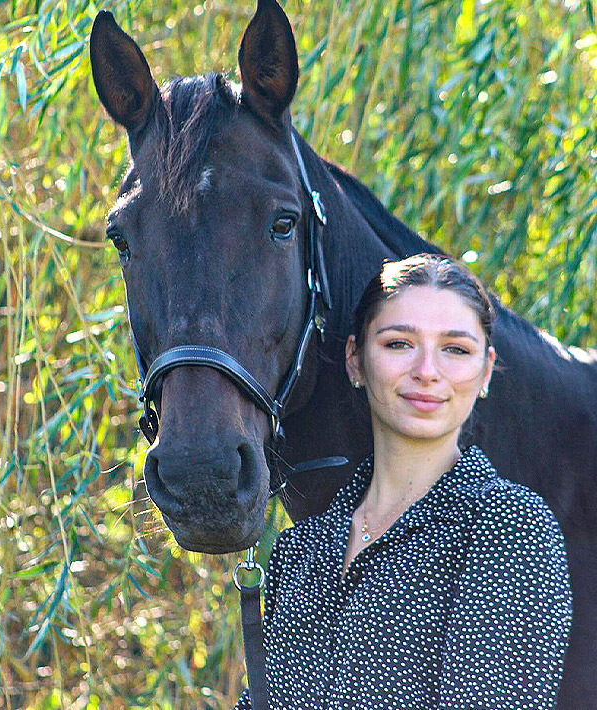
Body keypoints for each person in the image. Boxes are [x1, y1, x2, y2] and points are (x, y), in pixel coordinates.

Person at [235, 253, 573, 710]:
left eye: (455, 349)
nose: (427, 371)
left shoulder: (509, 527)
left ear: (486, 371)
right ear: (355, 360)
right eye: (399, 343)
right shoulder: (301, 552)